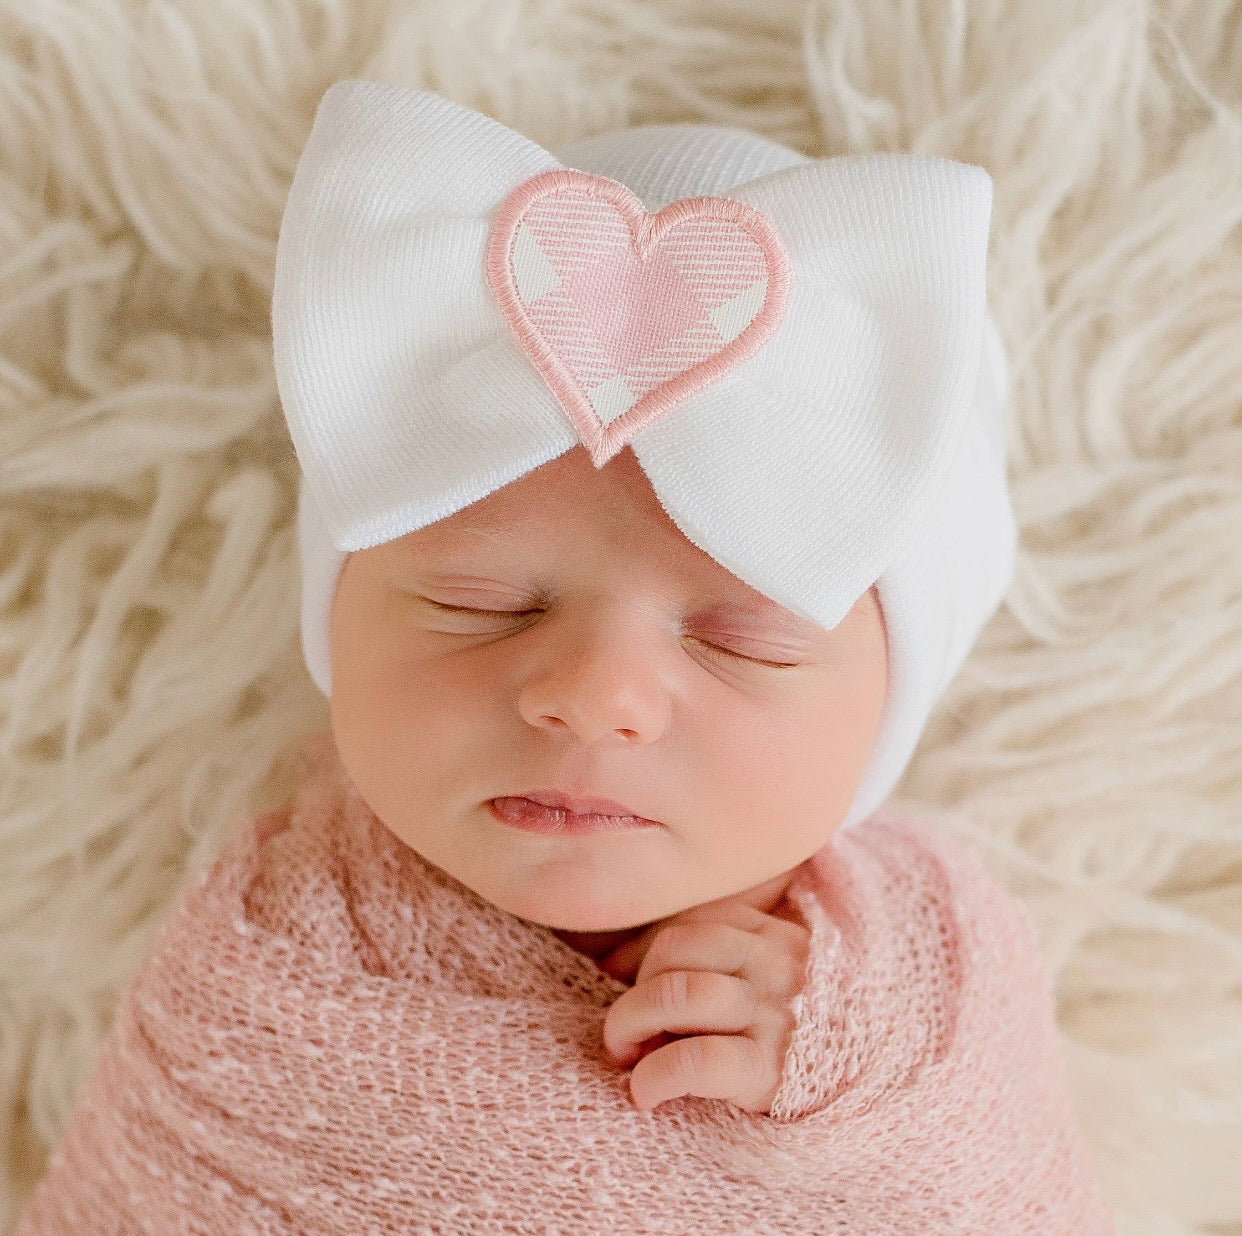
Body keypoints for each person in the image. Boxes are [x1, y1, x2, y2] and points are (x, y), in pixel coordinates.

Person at [17, 80, 1117, 1233]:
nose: (594, 698)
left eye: (739, 640)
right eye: (480, 602)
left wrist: (856, 1066)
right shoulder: (260, 969)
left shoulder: (930, 993)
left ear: (893, 700)